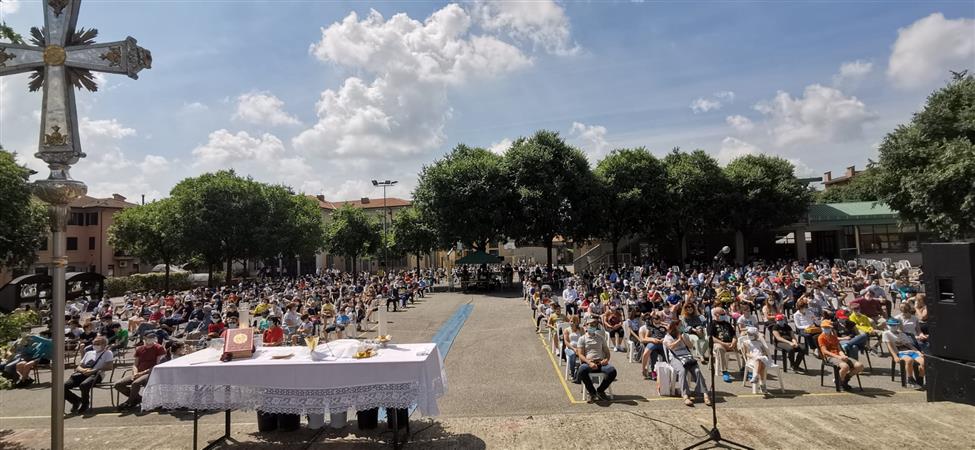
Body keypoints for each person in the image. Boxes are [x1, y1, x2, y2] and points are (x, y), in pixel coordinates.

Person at [664, 320, 711, 407]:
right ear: (675, 326)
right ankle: (685, 395)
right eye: (680, 325)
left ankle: (705, 394)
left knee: (697, 371)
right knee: (682, 371)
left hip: (687, 356)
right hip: (675, 358)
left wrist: (685, 339)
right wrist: (679, 340)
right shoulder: (668, 337)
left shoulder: (683, 335)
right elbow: (670, 347)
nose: (682, 327)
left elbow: (690, 346)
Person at [115, 335, 167, 409]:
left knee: (136, 383)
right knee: (118, 384)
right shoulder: (140, 349)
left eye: (152, 337)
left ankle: (129, 402)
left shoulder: (159, 348)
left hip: (151, 373)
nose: (150, 339)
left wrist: (142, 373)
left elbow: (157, 365)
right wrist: (135, 373)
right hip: (138, 373)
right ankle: (138, 399)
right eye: (148, 337)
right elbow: (135, 364)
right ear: (144, 338)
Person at [65, 336, 113, 413]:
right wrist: (83, 370)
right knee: (63, 387)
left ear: (104, 344)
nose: (95, 345)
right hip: (82, 374)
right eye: (94, 343)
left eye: (98, 343)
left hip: (97, 375)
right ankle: (76, 401)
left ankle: (85, 404)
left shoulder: (108, 353)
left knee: (84, 385)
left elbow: (110, 366)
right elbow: (79, 366)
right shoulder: (88, 353)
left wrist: (94, 370)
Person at [574, 317, 617, 402]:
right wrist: (589, 362)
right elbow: (580, 354)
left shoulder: (600, 338)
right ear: (586, 326)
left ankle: (600, 390)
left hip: (600, 363)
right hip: (588, 363)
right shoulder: (582, 339)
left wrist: (606, 359)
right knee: (582, 369)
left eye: (594, 325)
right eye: (591, 325)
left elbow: (607, 352)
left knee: (612, 371)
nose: (593, 326)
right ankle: (592, 392)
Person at [817, 319, 863, 391]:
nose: (827, 329)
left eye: (828, 327)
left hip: (839, 355)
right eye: (825, 327)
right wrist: (838, 357)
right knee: (845, 367)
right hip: (829, 357)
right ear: (822, 328)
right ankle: (840, 382)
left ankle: (843, 379)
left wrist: (843, 355)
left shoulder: (834, 337)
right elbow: (825, 351)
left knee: (859, 366)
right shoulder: (821, 337)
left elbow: (839, 349)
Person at [883, 317, 925, 388]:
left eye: (895, 325)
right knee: (909, 360)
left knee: (923, 362)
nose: (893, 327)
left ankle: (920, 380)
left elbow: (909, 345)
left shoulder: (902, 334)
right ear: (888, 325)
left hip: (910, 351)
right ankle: (910, 379)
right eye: (891, 325)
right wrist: (895, 356)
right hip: (899, 352)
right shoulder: (886, 333)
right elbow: (889, 346)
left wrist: (918, 352)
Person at [708, 307, 738, 383]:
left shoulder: (727, 323)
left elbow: (734, 335)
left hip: (731, 343)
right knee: (719, 348)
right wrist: (723, 344)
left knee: (745, 345)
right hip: (719, 344)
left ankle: (745, 367)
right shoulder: (711, 324)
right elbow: (711, 337)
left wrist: (734, 342)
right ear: (716, 315)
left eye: (724, 314)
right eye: (722, 314)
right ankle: (724, 371)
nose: (724, 315)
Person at [742, 326, 773, 395]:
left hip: (761, 357)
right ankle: (762, 385)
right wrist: (752, 356)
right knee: (760, 363)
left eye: (752, 334)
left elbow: (764, 351)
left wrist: (762, 354)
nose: (750, 336)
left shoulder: (759, 342)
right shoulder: (746, 342)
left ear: (755, 335)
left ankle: (755, 377)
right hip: (752, 359)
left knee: (760, 360)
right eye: (749, 334)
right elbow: (746, 353)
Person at [638, 312, 666, 380]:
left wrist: (664, 339)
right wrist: (653, 339)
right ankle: (644, 369)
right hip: (653, 342)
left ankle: (665, 371)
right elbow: (645, 338)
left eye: (658, 319)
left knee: (666, 354)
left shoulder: (663, 327)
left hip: (662, 343)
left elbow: (668, 335)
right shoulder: (648, 328)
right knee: (648, 353)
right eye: (655, 319)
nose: (656, 320)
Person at [562, 315, 583, 383]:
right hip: (570, 348)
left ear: (577, 322)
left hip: (580, 348)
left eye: (573, 321)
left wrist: (580, 349)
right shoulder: (567, 330)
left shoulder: (581, 329)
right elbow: (566, 342)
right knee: (572, 355)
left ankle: (580, 371)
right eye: (571, 321)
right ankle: (572, 371)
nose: (571, 323)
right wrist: (574, 349)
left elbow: (584, 339)